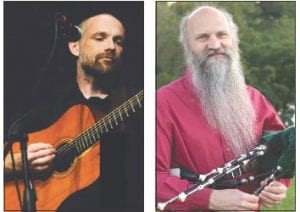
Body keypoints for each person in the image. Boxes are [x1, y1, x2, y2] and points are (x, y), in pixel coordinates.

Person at [5, 9, 143, 212]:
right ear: (75, 46)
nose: (111, 47)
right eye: (100, 38)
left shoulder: (131, 105)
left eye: (118, 41)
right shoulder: (42, 102)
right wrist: (8, 166)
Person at [156, 6, 290, 211]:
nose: (215, 44)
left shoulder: (255, 99)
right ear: (187, 46)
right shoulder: (163, 103)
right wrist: (209, 199)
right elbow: (151, 177)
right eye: (202, 37)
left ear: (233, 40)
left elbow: (282, 148)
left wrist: (277, 184)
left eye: (222, 35)